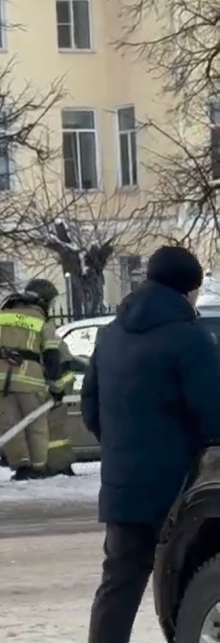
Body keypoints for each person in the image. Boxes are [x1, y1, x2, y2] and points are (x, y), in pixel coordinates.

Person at [84, 245, 220, 643]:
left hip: (124, 487)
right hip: (178, 489)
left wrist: (125, 450)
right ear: (187, 291)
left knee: (118, 586)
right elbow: (213, 414)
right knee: (189, 585)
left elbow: (91, 409)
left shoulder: (110, 335)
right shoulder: (188, 339)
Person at [0, 278, 70, 481]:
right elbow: (52, 357)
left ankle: (22, 468)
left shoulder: (2, 316)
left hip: (1, 384)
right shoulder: (43, 322)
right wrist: (57, 387)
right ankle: (38, 469)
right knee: (36, 426)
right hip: (31, 383)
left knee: (10, 427)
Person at [43, 338, 79, 478]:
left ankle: (58, 465)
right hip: (60, 383)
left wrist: (55, 389)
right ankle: (61, 464)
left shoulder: (43, 334)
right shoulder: (47, 333)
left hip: (57, 385)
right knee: (55, 430)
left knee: (52, 430)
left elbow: (51, 363)